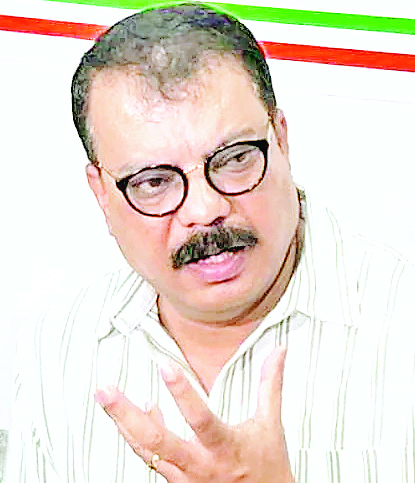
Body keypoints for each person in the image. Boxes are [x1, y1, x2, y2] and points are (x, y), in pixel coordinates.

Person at [7, 2, 415, 482]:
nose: (204, 210)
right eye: (154, 182)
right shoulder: (55, 352)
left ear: (281, 140)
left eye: (234, 158)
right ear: (101, 193)